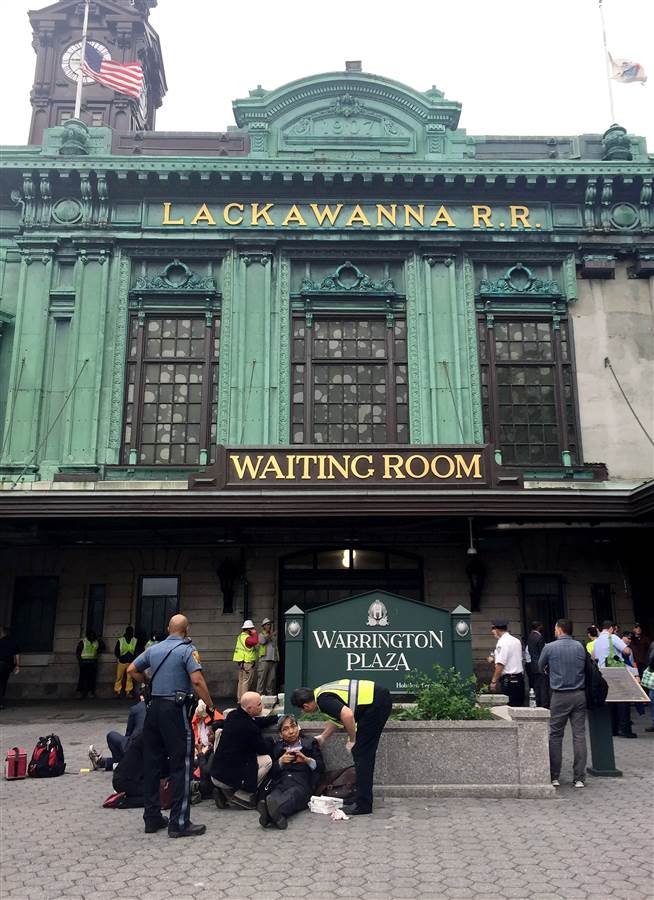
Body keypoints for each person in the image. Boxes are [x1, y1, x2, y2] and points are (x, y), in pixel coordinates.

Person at [128, 614, 215, 838]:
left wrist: (148, 681)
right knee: (181, 765)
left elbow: (131, 670)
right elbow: (197, 680)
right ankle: (179, 822)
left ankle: (152, 817)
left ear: (168, 628)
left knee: (151, 763)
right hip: (175, 711)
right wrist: (210, 705)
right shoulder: (187, 650)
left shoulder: (154, 649)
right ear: (187, 630)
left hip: (153, 710)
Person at [291, 677, 392, 816]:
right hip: (376, 700)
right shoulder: (320, 694)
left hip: (376, 703)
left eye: (302, 710)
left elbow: (347, 715)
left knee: (362, 753)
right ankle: (361, 798)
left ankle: (363, 805)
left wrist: (352, 740)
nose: (304, 712)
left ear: (306, 706)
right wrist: (323, 737)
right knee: (362, 753)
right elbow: (338, 719)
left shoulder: (323, 700)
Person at [538, 618, 587, 788]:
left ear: (559, 630)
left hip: (559, 695)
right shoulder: (580, 646)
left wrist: (550, 670)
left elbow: (540, 667)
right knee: (579, 735)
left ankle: (554, 776)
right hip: (579, 694)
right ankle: (579, 778)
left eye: (555, 629)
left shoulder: (549, 647)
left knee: (556, 735)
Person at [210, 691, 275, 809]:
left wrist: (274, 719)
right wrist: (272, 742)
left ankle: (225, 794)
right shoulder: (250, 728)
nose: (262, 706)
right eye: (259, 704)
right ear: (249, 708)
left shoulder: (233, 715)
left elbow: (254, 721)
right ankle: (243, 795)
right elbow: (263, 749)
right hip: (229, 778)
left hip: (216, 774)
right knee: (267, 760)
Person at [258, 714, 324, 830]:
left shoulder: (310, 742)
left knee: (293, 795)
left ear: (298, 727)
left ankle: (268, 815)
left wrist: (306, 760)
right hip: (282, 782)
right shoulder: (277, 747)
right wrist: (280, 761)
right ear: (280, 734)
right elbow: (271, 773)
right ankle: (277, 817)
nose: (291, 731)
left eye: (293, 726)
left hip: (302, 783)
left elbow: (321, 767)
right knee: (273, 796)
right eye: (286, 729)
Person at [593, 620, 636, 738]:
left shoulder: (597, 641)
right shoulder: (613, 637)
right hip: (616, 672)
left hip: (603, 673)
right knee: (623, 701)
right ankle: (625, 729)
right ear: (611, 628)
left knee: (611, 701)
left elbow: (593, 656)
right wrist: (627, 650)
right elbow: (626, 651)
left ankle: (613, 729)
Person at [89, 690, 148, 771]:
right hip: (154, 753)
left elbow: (128, 733)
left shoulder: (137, 708)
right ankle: (105, 762)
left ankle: (115, 763)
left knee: (111, 736)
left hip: (137, 750)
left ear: (141, 697)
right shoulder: (160, 709)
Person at [488, 619, 525, 706]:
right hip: (519, 678)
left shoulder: (502, 643)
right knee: (518, 706)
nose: (492, 632)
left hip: (509, 680)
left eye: (493, 629)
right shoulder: (516, 640)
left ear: (497, 629)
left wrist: (493, 682)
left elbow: (500, 665)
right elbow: (512, 658)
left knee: (509, 707)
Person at [233, 620, 259, 702]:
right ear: (249, 630)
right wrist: (255, 633)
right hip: (247, 663)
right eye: (252, 629)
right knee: (246, 683)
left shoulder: (240, 636)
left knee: (241, 682)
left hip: (241, 663)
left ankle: (240, 700)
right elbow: (255, 641)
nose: (253, 630)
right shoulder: (247, 638)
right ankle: (244, 701)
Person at [526, 621, 549, 708]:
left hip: (533, 664)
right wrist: (545, 665)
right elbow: (543, 652)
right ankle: (544, 704)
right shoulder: (539, 637)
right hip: (540, 664)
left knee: (536, 685)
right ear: (539, 627)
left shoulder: (530, 636)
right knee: (543, 685)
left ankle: (537, 702)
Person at [76, 628, 104, 699]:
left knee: (92, 679)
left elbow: (103, 647)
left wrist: (100, 640)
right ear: (88, 636)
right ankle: (81, 693)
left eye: (93, 635)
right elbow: (78, 652)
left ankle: (90, 692)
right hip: (84, 662)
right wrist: (80, 661)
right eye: (91, 635)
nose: (92, 637)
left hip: (93, 662)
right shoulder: (83, 642)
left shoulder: (96, 642)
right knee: (82, 678)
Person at [256, 617, 278, 696]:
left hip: (272, 660)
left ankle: (269, 695)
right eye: (268, 624)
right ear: (264, 626)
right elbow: (263, 641)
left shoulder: (273, 636)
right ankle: (259, 695)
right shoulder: (261, 635)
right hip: (264, 660)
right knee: (261, 679)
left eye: (270, 624)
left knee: (271, 679)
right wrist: (271, 635)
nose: (269, 626)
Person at [0, 625, 20, 710]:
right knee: (2, 684)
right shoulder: (13, 642)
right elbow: (17, 655)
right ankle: (0, 703)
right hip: (7, 665)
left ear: (3, 633)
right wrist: (18, 666)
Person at [114, 626, 137, 698]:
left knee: (129, 678)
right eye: (129, 631)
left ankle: (128, 692)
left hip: (130, 662)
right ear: (126, 632)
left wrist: (134, 658)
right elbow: (116, 650)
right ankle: (117, 692)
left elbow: (136, 650)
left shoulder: (135, 640)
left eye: (132, 631)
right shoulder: (121, 640)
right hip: (122, 662)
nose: (131, 633)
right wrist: (119, 657)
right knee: (119, 677)